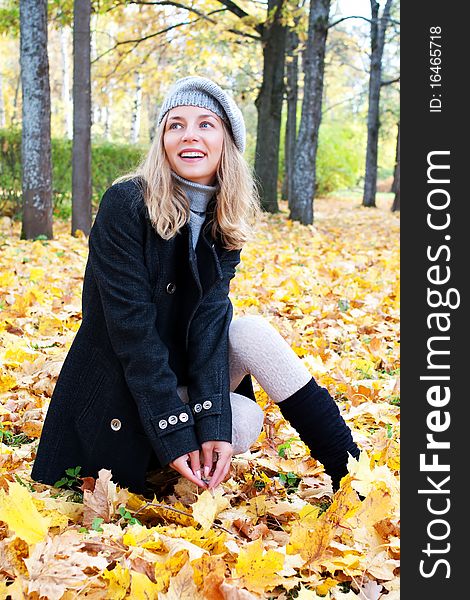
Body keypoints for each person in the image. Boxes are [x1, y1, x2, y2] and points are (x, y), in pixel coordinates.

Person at [31, 76, 359, 498]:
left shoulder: (223, 219)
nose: (190, 135)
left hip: (179, 376)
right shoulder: (126, 204)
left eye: (206, 124)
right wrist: (174, 429)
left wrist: (212, 426)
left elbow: (208, 328)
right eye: (176, 124)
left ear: (226, 140)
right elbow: (132, 334)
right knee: (236, 416)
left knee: (246, 369)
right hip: (122, 390)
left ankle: (351, 474)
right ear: (163, 140)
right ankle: (161, 455)